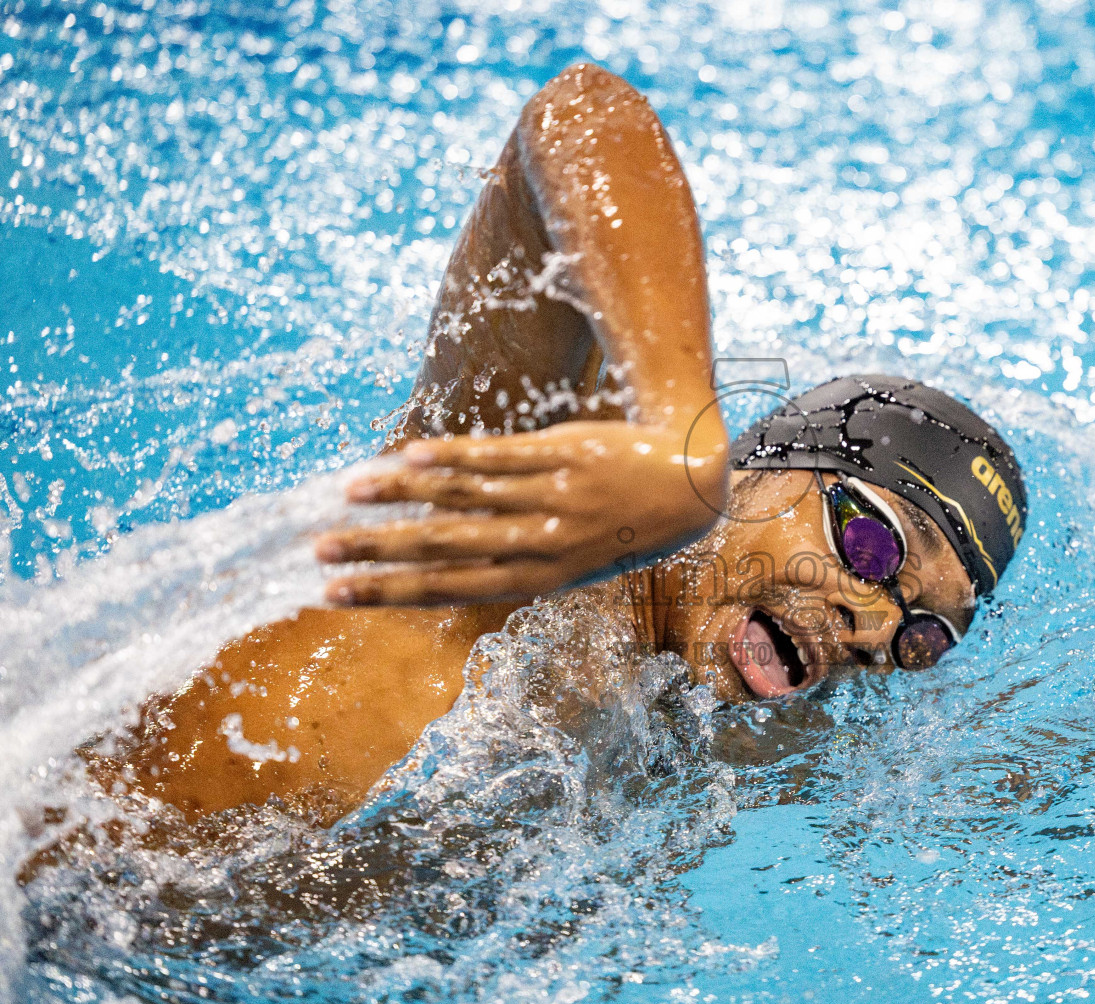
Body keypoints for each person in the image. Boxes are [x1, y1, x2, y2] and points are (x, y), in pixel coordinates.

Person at [109, 63, 1027, 825]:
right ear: (759, 467)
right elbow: (582, 116)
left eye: (920, 636)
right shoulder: (515, 500)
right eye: (872, 542)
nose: (871, 623)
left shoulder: (688, 736)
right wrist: (676, 438)